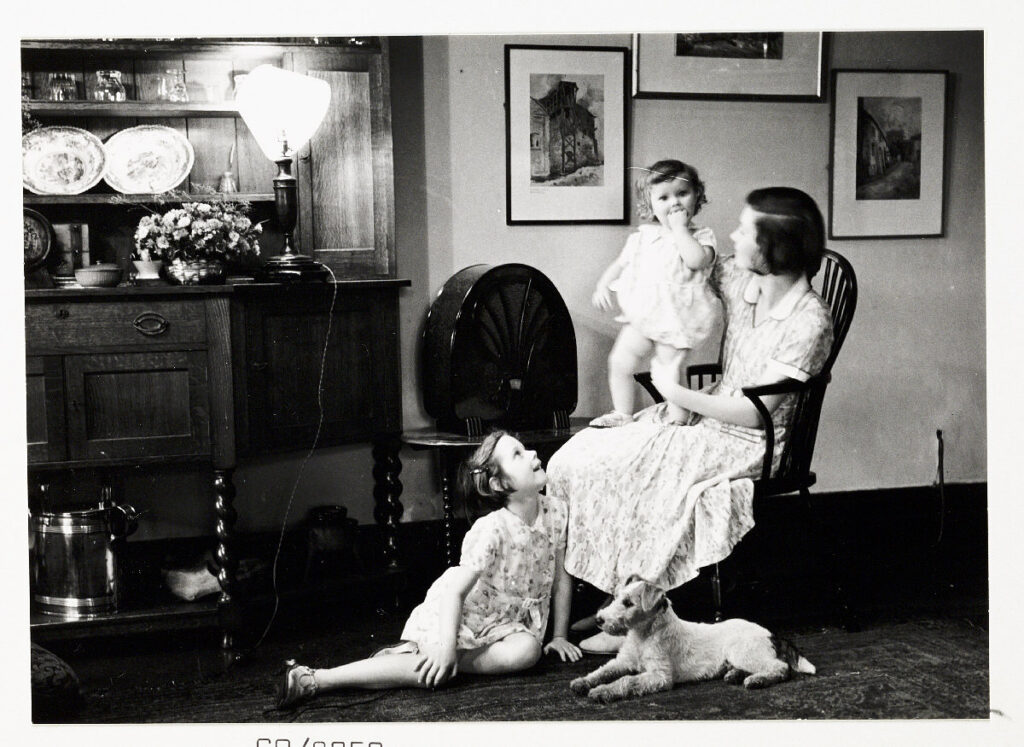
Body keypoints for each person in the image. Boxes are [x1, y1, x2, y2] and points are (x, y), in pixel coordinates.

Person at [548, 187, 835, 653]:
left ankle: (633, 618)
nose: (733, 236)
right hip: (707, 414)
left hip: (752, 440)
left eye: (744, 230)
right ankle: (614, 596)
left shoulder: (808, 321)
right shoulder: (743, 277)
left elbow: (755, 412)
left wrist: (678, 394)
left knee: (644, 469)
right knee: (581, 456)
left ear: (772, 249)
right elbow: (681, 266)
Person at [275, 431, 582, 708]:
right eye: (518, 454)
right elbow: (454, 591)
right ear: (499, 484)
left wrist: (558, 635)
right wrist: (447, 646)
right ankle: (316, 678)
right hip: (463, 613)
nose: (531, 455)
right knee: (438, 673)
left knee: (528, 651)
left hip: (507, 625)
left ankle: (427, 657)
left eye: (526, 449)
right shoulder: (491, 529)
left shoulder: (556, 512)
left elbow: (560, 578)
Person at [589, 159, 723, 427]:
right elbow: (620, 263)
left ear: (697, 197)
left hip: (677, 316)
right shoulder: (642, 236)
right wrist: (603, 284)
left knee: (668, 371)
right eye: (663, 197)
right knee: (620, 360)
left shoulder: (702, 236)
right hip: (644, 314)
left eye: (682, 194)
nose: (674, 203)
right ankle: (623, 413)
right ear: (650, 205)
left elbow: (696, 260)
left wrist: (680, 230)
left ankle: (678, 420)